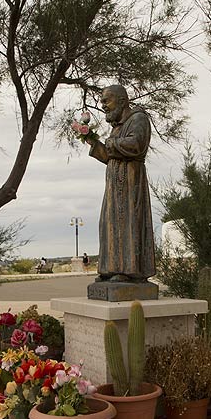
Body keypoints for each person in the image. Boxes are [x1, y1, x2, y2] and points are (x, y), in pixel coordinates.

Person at [86, 85, 155, 283]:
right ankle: (111, 268)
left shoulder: (138, 119)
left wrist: (109, 144)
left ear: (122, 101)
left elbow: (136, 145)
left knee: (128, 222)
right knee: (109, 223)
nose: (103, 106)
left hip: (130, 181)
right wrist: (93, 142)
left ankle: (129, 270)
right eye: (102, 102)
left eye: (106, 101)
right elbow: (109, 156)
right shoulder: (117, 127)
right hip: (113, 185)